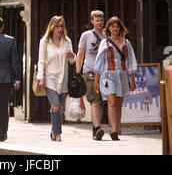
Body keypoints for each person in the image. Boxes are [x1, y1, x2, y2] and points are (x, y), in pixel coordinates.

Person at [94, 16, 137, 141]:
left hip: (122, 75)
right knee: (112, 102)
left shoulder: (126, 43)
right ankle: (113, 131)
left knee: (118, 104)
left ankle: (116, 128)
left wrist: (132, 79)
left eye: (117, 26)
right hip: (108, 75)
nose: (115, 29)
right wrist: (96, 80)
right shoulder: (105, 43)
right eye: (113, 26)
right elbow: (99, 62)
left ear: (120, 28)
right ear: (109, 28)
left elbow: (130, 61)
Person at [37, 16, 76, 142]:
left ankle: (54, 131)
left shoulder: (67, 41)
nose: (60, 29)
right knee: (56, 105)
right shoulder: (45, 41)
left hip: (63, 79)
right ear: (52, 27)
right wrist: (41, 78)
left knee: (60, 109)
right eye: (57, 26)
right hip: (50, 78)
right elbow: (41, 61)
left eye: (62, 26)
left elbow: (72, 60)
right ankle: (58, 134)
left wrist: (72, 56)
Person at [76, 10, 106, 141]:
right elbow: (80, 54)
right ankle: (97, 127)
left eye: (101, 20)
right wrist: (78, 73)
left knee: (100, 102)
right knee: (94, 99)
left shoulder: (107, 36)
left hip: (105, 72)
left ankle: (96, 128)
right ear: (92, 21)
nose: (99, 22)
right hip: (90, 72)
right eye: (97, 20)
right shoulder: (86, 35)